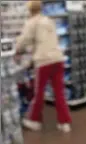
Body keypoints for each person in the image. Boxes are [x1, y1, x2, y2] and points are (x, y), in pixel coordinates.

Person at [15, 0, 72, 133]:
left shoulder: (31, 22)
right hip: (58, 59)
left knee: (39, 93)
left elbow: (23, 41)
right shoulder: (49, 20)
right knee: (59, 93)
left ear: (29, 10)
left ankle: (34, 121)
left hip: (43, 61)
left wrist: (17, 50)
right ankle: (64, 123)